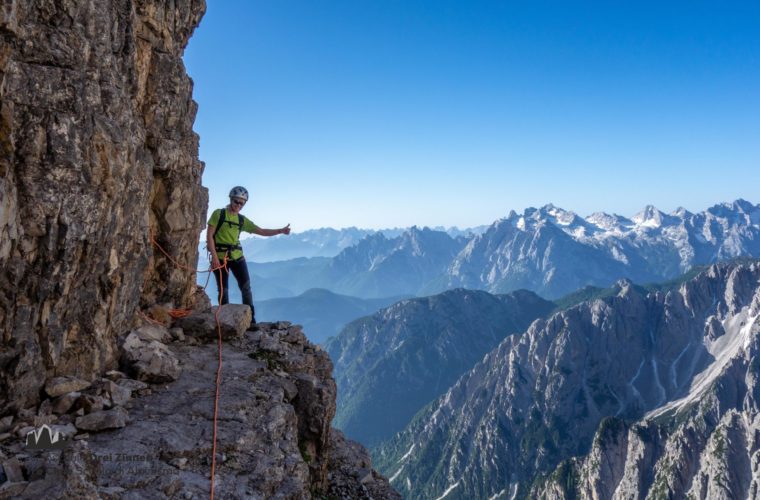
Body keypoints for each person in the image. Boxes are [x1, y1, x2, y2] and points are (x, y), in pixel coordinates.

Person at [206, 186, 291, 327]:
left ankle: (251, 321)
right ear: (230, 199)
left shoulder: (241, 220)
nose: (238, 205)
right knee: (223, 290)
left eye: (241, 203)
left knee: (246, 288)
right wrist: (214, 257)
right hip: (220, 258)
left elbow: (262, 231)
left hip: (237, 257)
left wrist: (280, 230)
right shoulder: (219, 214)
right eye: (236, 201)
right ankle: (224, 322)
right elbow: (209, 236)